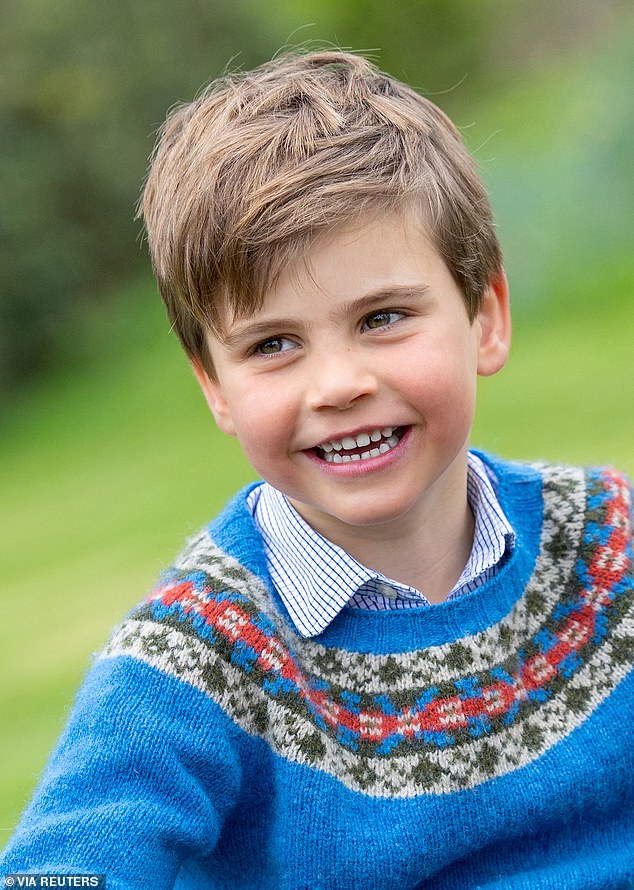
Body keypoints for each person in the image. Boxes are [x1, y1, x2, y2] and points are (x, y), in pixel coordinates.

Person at [1, 50, 632, 890]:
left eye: (382, 318)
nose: (338, 385)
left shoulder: (610, 543)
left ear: (485, 317)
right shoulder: (197, 661)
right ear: (214, 387)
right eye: (273, 345)